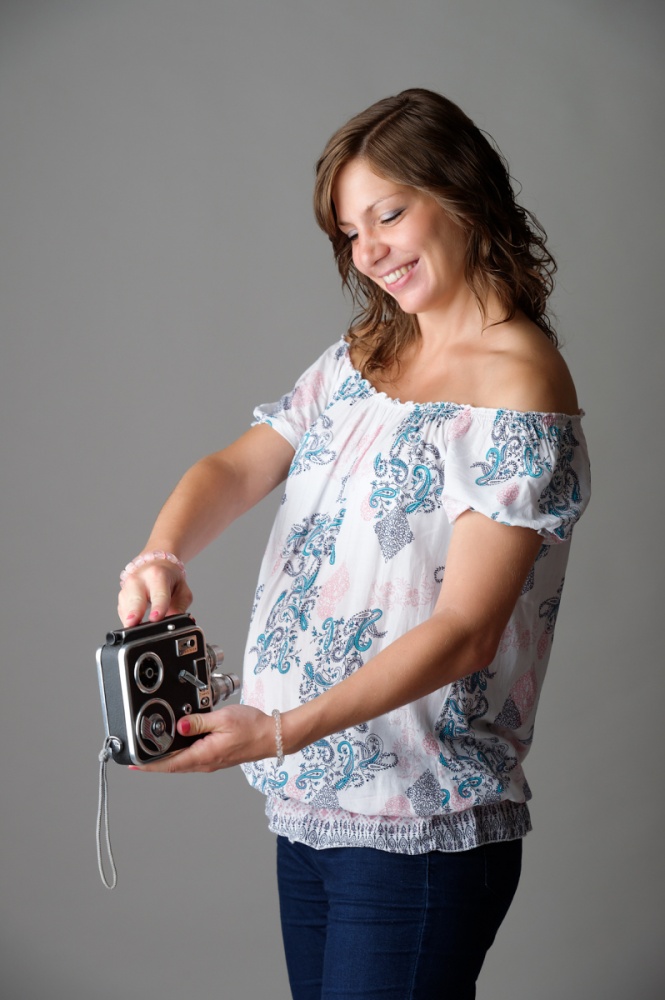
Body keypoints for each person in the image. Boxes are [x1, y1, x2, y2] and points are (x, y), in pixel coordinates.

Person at [117, 89, 591, 999]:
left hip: (418, 821)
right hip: (312, 802)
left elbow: (467, 633)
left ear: (461, 194)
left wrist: (277, 729)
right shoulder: (365, 352)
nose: (368, 251)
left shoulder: (519, 385)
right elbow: (237, 467)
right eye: (348, 232)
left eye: (388, 214)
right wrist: (161, 555)